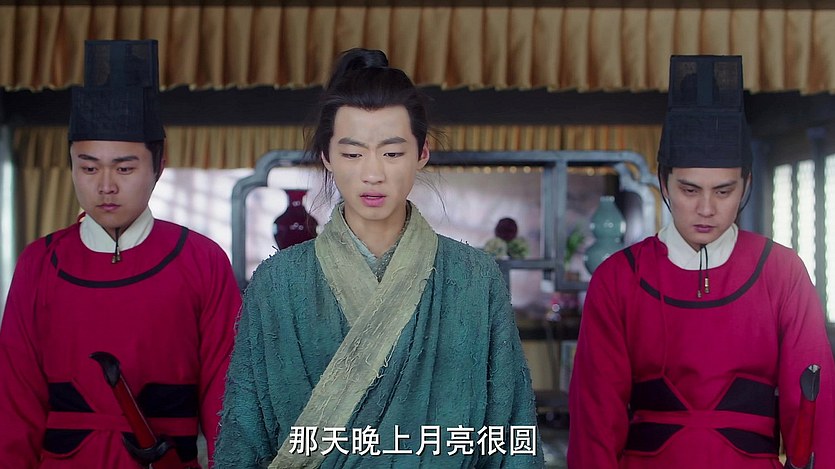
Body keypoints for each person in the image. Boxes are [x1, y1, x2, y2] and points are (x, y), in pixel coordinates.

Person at [214, 48, 543, 468]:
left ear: (422, 153)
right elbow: (243, 436)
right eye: (353, 154)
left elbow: (512, 433)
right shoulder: (278, 282)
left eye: (392, 153)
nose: (373, 174)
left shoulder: (475, 278)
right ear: (326, 156)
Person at [568, 55, 835, 468]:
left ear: (746, 185)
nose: (706, 209)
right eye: (690, 190)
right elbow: (595, 418)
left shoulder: (781, 271)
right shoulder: (619, 277)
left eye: (723, 191)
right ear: (664, 183)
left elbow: (812, 406)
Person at [0, 40, 241, 468]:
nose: (106, 185)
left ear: (158, 165)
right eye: (88, 167)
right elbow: (15, 403)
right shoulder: (40, 263)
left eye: (125, 168)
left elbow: (227, 397)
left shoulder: (202, 260)